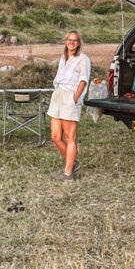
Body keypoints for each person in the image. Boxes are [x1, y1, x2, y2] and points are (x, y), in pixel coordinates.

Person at [48, 30, 91, 181]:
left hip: (70, 96)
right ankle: (72, 163)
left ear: (79, 43)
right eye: (69, 40)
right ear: (66, 41)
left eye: (75, 40)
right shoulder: (63, 58)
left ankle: (67, 174)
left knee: (69, 136)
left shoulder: (83, 59)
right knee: (55, 136)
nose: (71, 42)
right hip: (58, 95)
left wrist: (74, 98)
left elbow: (83, 80)